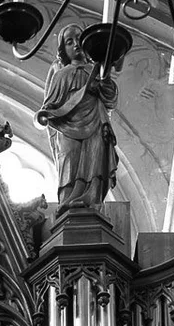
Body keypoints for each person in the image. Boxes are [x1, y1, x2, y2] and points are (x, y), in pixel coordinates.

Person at [35, 25, 119, 214]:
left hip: (96, 123)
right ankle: (67, 201)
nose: (75, 45)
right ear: (63, 49)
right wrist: (42, 115)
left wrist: (105, 80)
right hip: (68, 126)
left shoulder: (96, 71)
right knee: (69, 158)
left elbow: (110, 99)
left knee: (95, 161)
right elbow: (50, 106)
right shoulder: (61, 75)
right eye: (69, 42)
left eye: (79, 39)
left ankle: (91, 200)